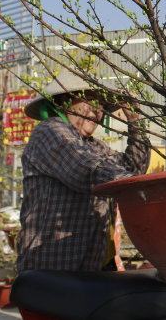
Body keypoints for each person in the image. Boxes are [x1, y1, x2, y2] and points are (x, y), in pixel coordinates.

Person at [16, 70, 150, 272]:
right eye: (92, 103)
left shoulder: (93, 146)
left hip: (91, 265)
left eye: (101, 106)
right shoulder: (50, 131)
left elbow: (133, 168)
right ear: (64, 102)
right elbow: (85, 170)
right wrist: (138, 188)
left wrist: (135, 123)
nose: (97, 112)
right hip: (52, 269)